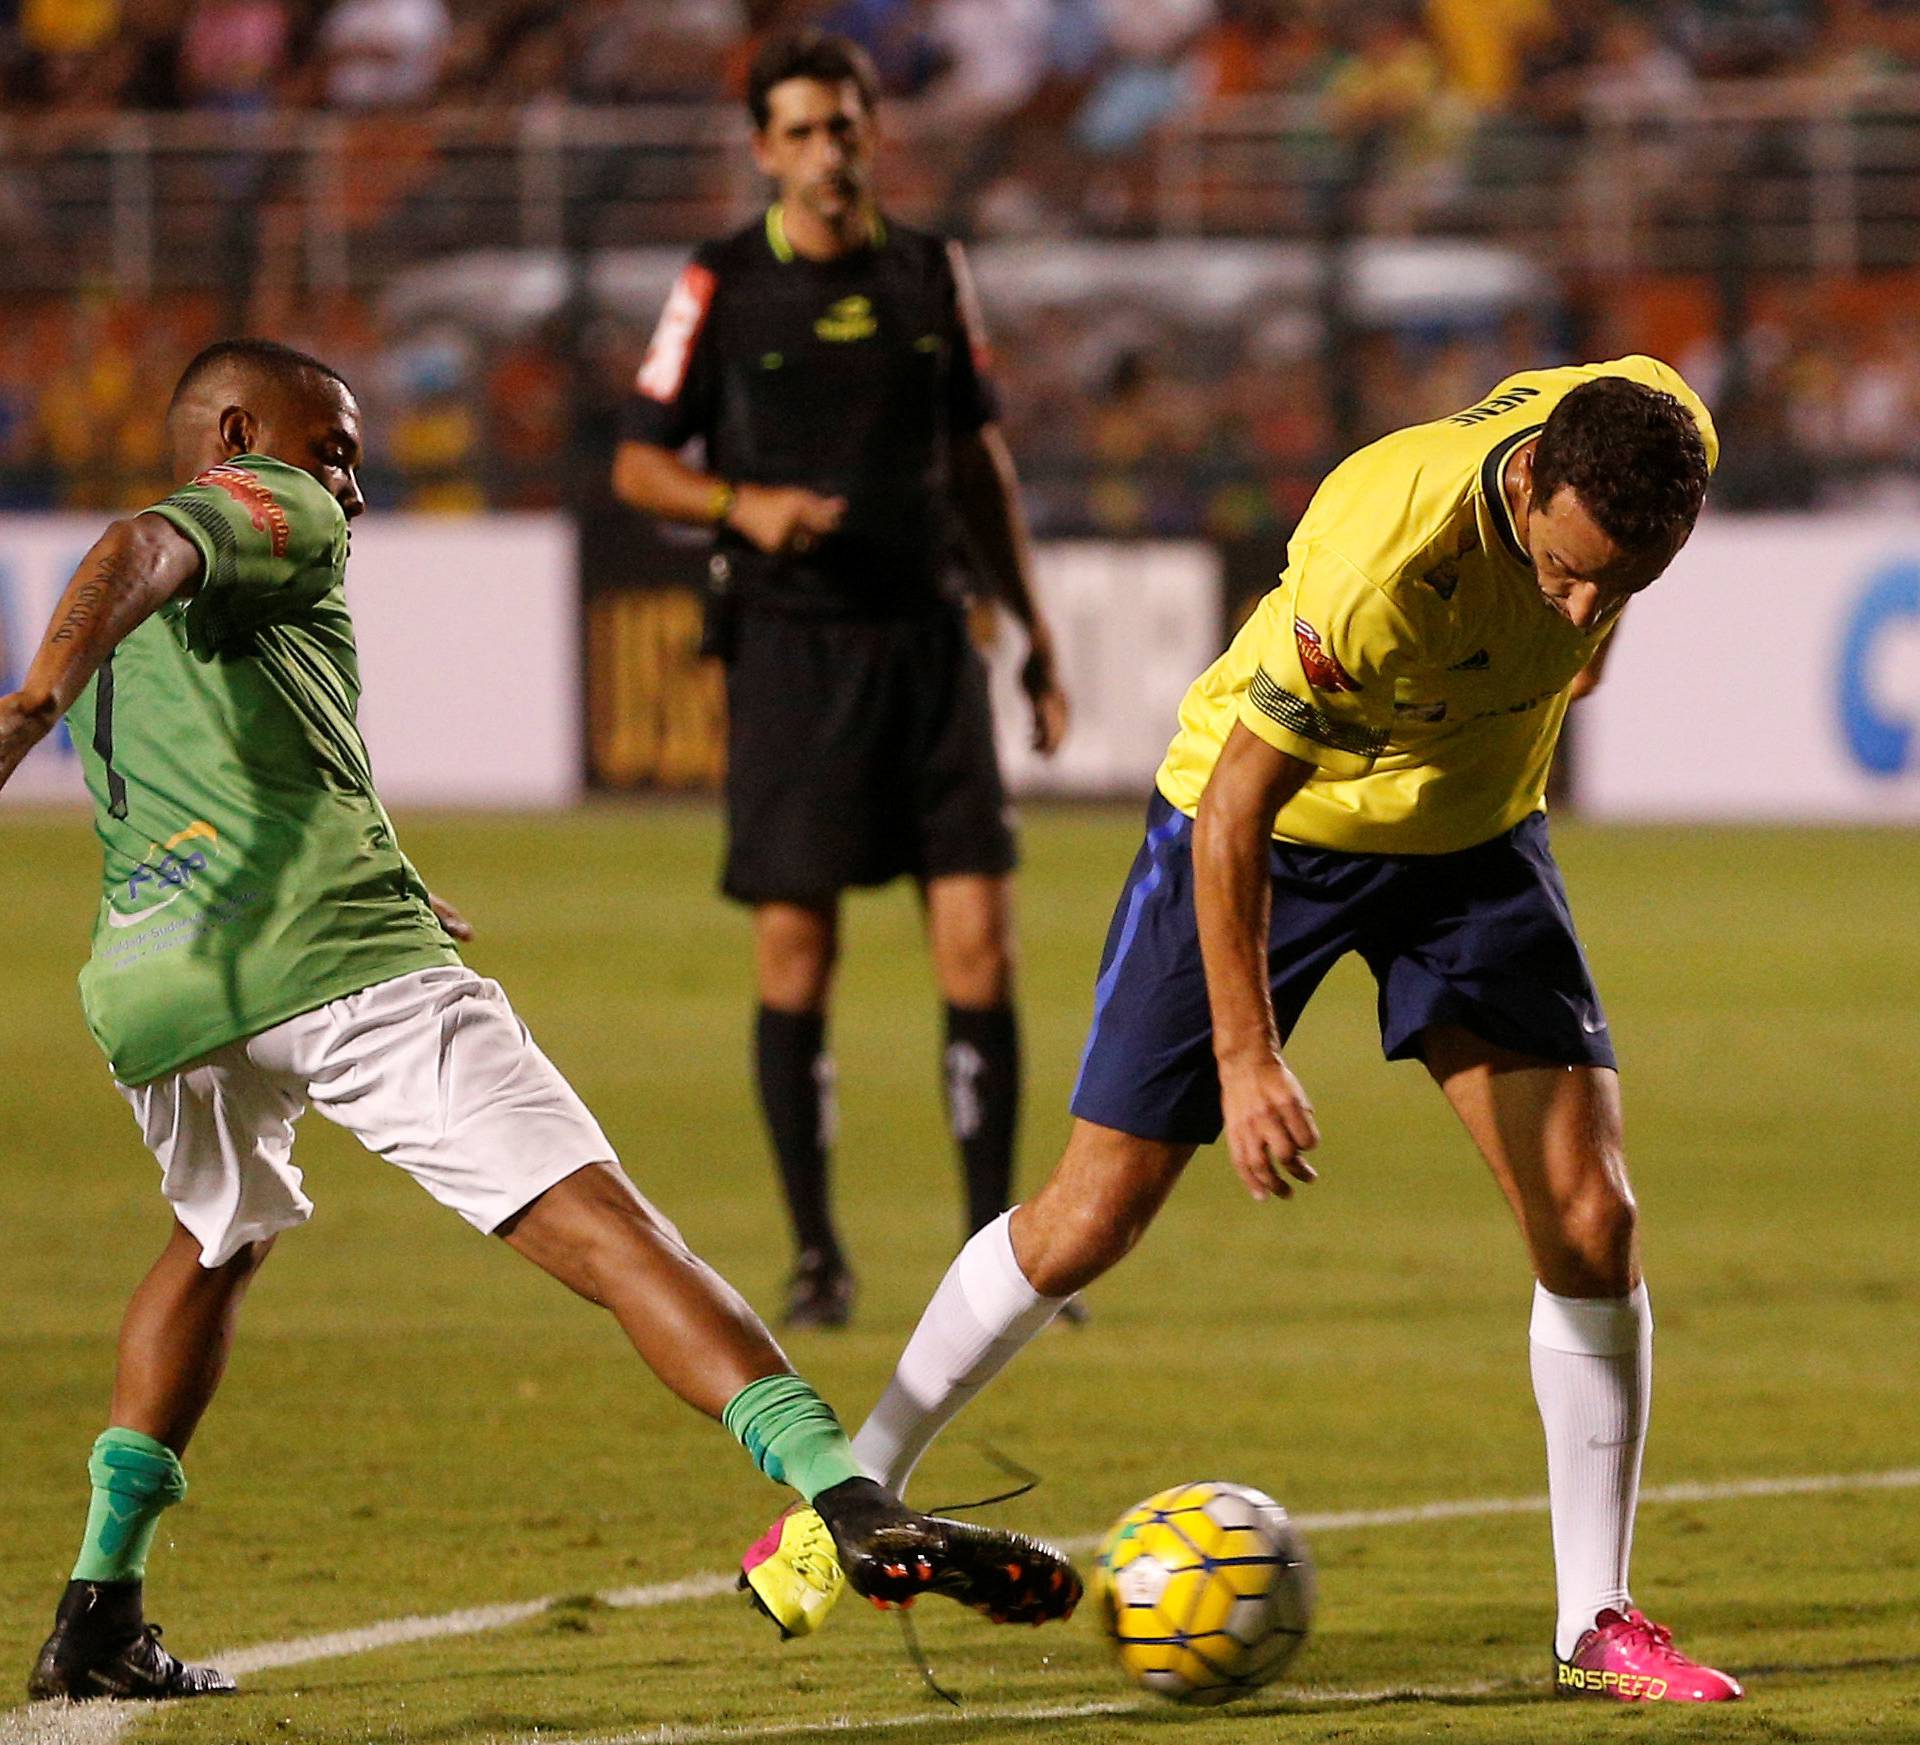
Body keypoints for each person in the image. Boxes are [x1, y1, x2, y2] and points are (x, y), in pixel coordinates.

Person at [0, 338, 1079, 1700]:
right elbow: (148, 539)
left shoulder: (154, 631)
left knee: (217, 1238)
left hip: (156, 984)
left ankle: (99, 1607)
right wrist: (32, 698)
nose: (354, 485)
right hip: (333, 964)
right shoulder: (267, 511)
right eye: (334, 446)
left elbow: (247, 737)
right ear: (234, 434)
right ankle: (846, 1494)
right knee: (607, 1226)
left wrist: (381, 860)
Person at [744, 357, 1749, 1703]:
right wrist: (1246, 1053)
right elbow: (1234, 810)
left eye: (1620, 583)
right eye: (1567, 570)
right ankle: (843, 1500)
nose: (1583, 605)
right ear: (1525, 485)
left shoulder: (1657, 429)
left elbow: (1590, 586)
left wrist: (1586, 615)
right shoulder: (1380, 567)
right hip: (1270, 832)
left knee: (1591, 1214)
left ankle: (1595, 1623)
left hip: (1468, 839)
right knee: (1090, 1215)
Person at [612, 30, 1070, 1329]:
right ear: (763, 149)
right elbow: (640, 465)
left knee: (982, 941)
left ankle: (999, 1262)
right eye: (802, 131)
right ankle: (818, 1256)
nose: (828, 152)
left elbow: (980, 464)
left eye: (846, 128)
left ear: (876, 135)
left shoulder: (932, 273)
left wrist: (1033, 632)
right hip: (792, 652)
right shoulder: (719, 283)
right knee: (796, 952)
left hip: (931, 641)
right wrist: (739, 504)